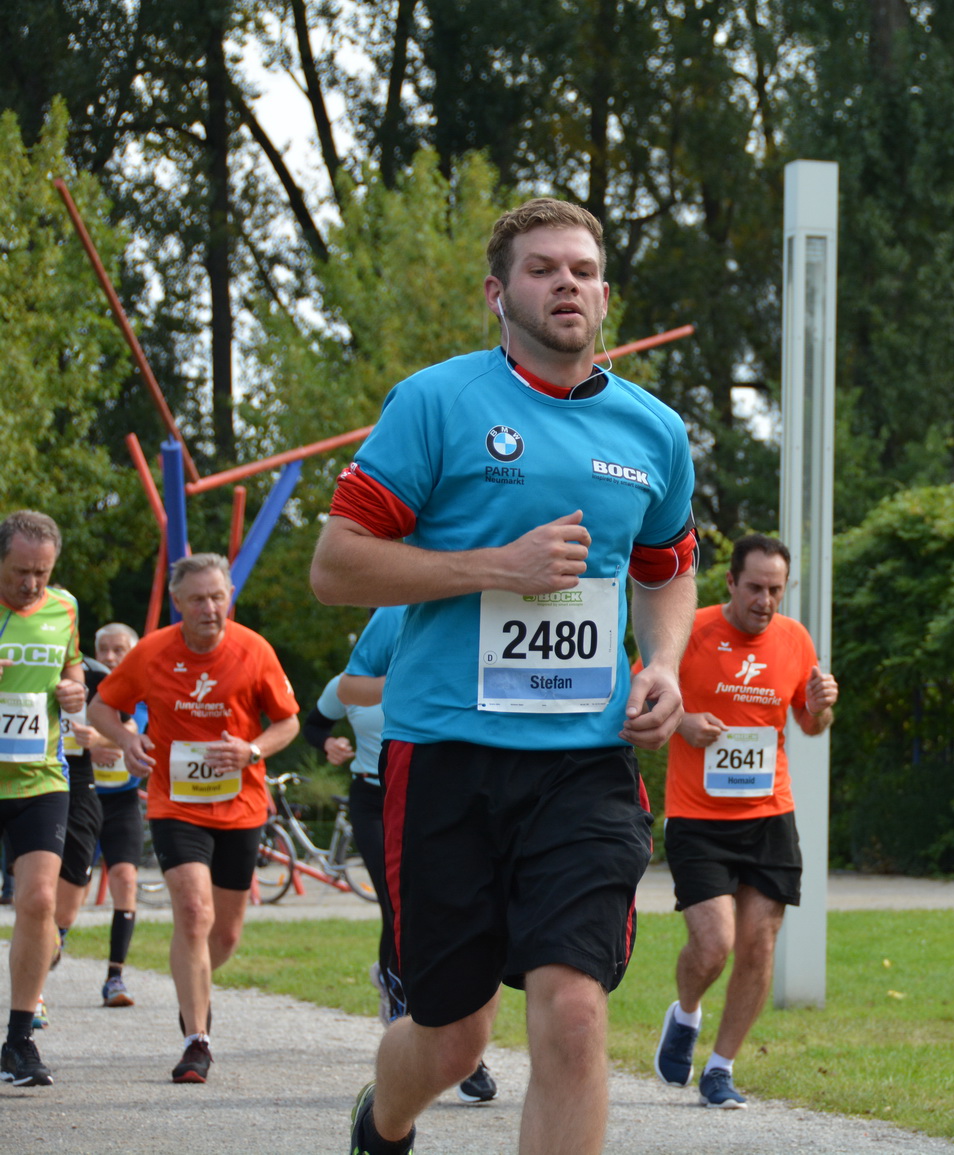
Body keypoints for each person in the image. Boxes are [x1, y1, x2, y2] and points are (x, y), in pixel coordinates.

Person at [309, 196, 698, 1155]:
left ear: (605, 293)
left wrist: (663, 663)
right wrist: (495, 566)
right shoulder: (437, 402)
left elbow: (669, 568)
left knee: (572, 1010)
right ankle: (385, 1119)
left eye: (583, 268)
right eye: (541, 268)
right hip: (444, 755)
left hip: (584, 764)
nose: (566, 282)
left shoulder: (654, 432)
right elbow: (337, 565)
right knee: (453, 1031)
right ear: (499, 293)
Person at [89, 554, 300, 1084]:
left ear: (229, 596)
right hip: (175, 803)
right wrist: (126, 739)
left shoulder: (254, 649)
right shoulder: (152, 651)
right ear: (178, 603)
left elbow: (288, 722)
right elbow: (101, 708)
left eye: (218, 596)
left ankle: (195, 988)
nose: (210, 608)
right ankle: (196, 1039)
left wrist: (252, 751)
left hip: (241, 805)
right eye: (198, 599)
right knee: (192, 911)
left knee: (223, 935)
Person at [651, 534, 839, 1108]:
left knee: (759, 944)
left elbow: (809, 724)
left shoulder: (794, 639)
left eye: (776, 590)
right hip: (698, 816)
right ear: (730, 582)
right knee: (714, 946)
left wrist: (824, 702)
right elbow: (638, 697)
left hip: (768, 815)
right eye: (755, 587)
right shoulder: (690, 632)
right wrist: (681, 721)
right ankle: (684, 1016)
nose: (765, 600)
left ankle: (720, 1068)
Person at [304, 604, 497, 1103]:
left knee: (462, 912)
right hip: (373, 796)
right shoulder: (352, 681)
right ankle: (405, 1008)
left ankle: (464, 1043)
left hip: (437, 789)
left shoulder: (456, 659)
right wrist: (330, 745)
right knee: (398, 907)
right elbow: (315, 724)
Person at [0, 510, 87, 1088]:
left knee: (38, 903)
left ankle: (18, 1040)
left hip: (41, 780)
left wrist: (77, 688)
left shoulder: (65, 607)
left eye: (42, 572)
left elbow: (74, 671)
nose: (32, 584)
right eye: (20, 572)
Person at [50, 621, 147, 1008]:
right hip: (76, 799)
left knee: (125, 879)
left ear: (133, 652)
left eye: (118, 650)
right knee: (69, 895)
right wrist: (91, 748)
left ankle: (115, 978)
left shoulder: (138, 692)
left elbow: (136, 734)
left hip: (120, 802)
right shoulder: (81, 680)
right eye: (103, 649)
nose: (109, 657)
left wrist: (106, 740)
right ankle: (51, 948)